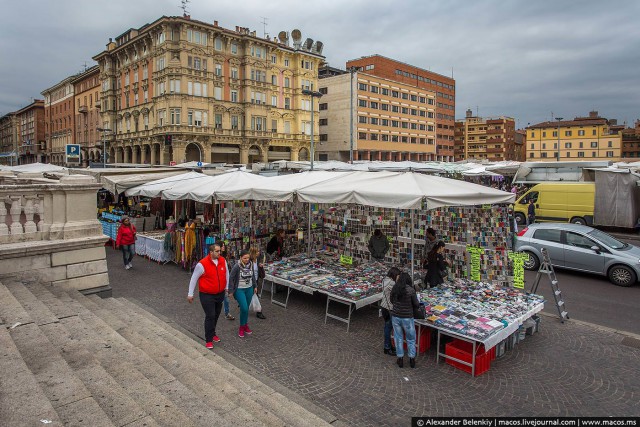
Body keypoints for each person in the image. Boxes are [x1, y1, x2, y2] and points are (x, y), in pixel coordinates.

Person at [187, 243, 229, 349]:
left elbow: (226, 274)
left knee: (216, 314)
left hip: (220, 293)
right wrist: (190, 294)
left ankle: (213, 333)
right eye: (217, 251)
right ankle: (208, 339)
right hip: (207, 295)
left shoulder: (223, 261)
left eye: (220, 251)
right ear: (211, 252)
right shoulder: (202, 264)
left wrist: (227, 287)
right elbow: (194, 278)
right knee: (210, 315)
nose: (220, 253)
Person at [390, 272, 420, 369]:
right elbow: (416, 304)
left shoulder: (395, 288)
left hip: (396, 316)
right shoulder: (411, 290)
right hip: (407, 317)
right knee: (411, 338)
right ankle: (411, 359)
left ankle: (400, 358)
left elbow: (391, 300)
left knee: (398, 337)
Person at [228, 249, 258, 338]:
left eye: (248, 258)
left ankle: (245, 325)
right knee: (244, 308)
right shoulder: (236, 266)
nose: (247, 260)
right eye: (245, 258)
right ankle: (241, 327)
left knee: (246, 309)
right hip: (239, 289)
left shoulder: (251, 264)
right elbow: (231, 278)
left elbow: (253, 276)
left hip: (249, 288)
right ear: (240, 258)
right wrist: (231, 291)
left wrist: (255, 286)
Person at [381, 266, 401, 356]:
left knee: (387, 327)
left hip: (384, 306)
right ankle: (387, 347)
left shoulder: (385, 280)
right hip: (389, 308)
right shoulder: (392, 283)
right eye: (398, 275)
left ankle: (389, 345)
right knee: (388, 328)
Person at [249, 246, 266, 320]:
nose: (259, 253)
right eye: (257, 252)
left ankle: (244, 305)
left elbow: (262, 274)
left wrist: (261, 267)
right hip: (250, 281)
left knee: (254, 295)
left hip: (256, 281)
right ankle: (259, 312)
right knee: (255, 296)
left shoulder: (258, 260)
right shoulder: (249, 261)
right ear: (253, 253)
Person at [220, 242, 235, 320]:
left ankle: (227, 313)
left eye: (223, 245)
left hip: (225, 280)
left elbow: (227, 271)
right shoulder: (218, 258)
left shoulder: (224, 257)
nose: (223, 247)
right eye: (222, 246)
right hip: (220, 281)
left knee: (226, 298)